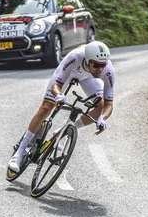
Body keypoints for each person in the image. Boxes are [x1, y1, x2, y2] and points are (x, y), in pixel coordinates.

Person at [8, 41, 114, 172]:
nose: (100, 69)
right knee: (47, 107)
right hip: (69, 73)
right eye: (96, 64)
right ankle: (19, 153)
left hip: (88, 76)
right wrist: (59, 95)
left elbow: (109, 104)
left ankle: (65, 130)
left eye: (103, 64)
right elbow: (56, 85)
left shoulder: (107, 70)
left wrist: (102, 118)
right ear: (87, 59)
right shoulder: (75, 57)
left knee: (100, 106)